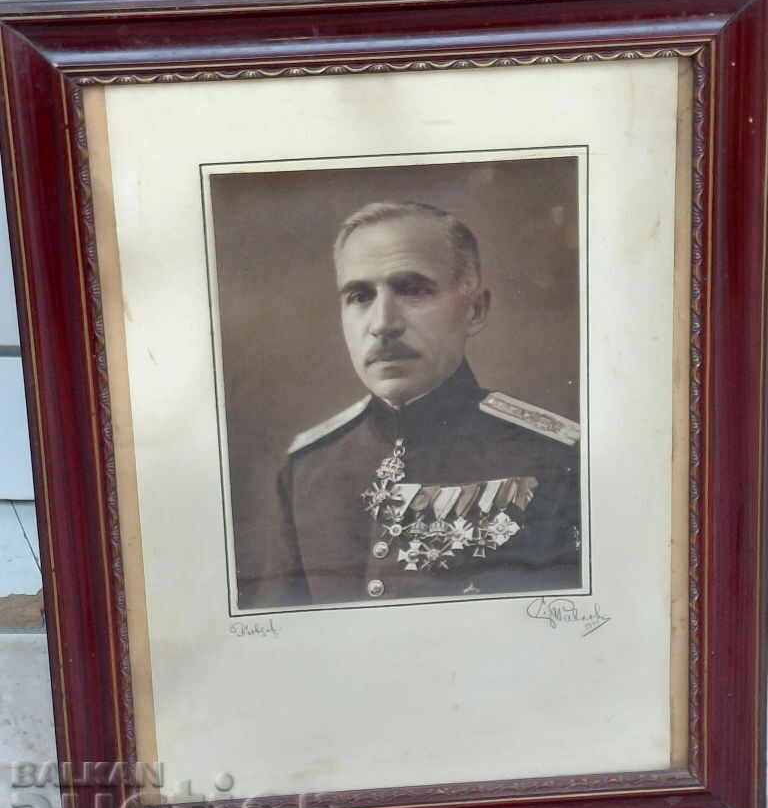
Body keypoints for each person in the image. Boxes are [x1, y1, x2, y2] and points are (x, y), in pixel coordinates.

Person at [238, 201, 580, 609]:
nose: (383, 323)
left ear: (475, 310)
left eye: (413, 290)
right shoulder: (307, 470)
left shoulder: (557, 460)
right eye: (360, 296)